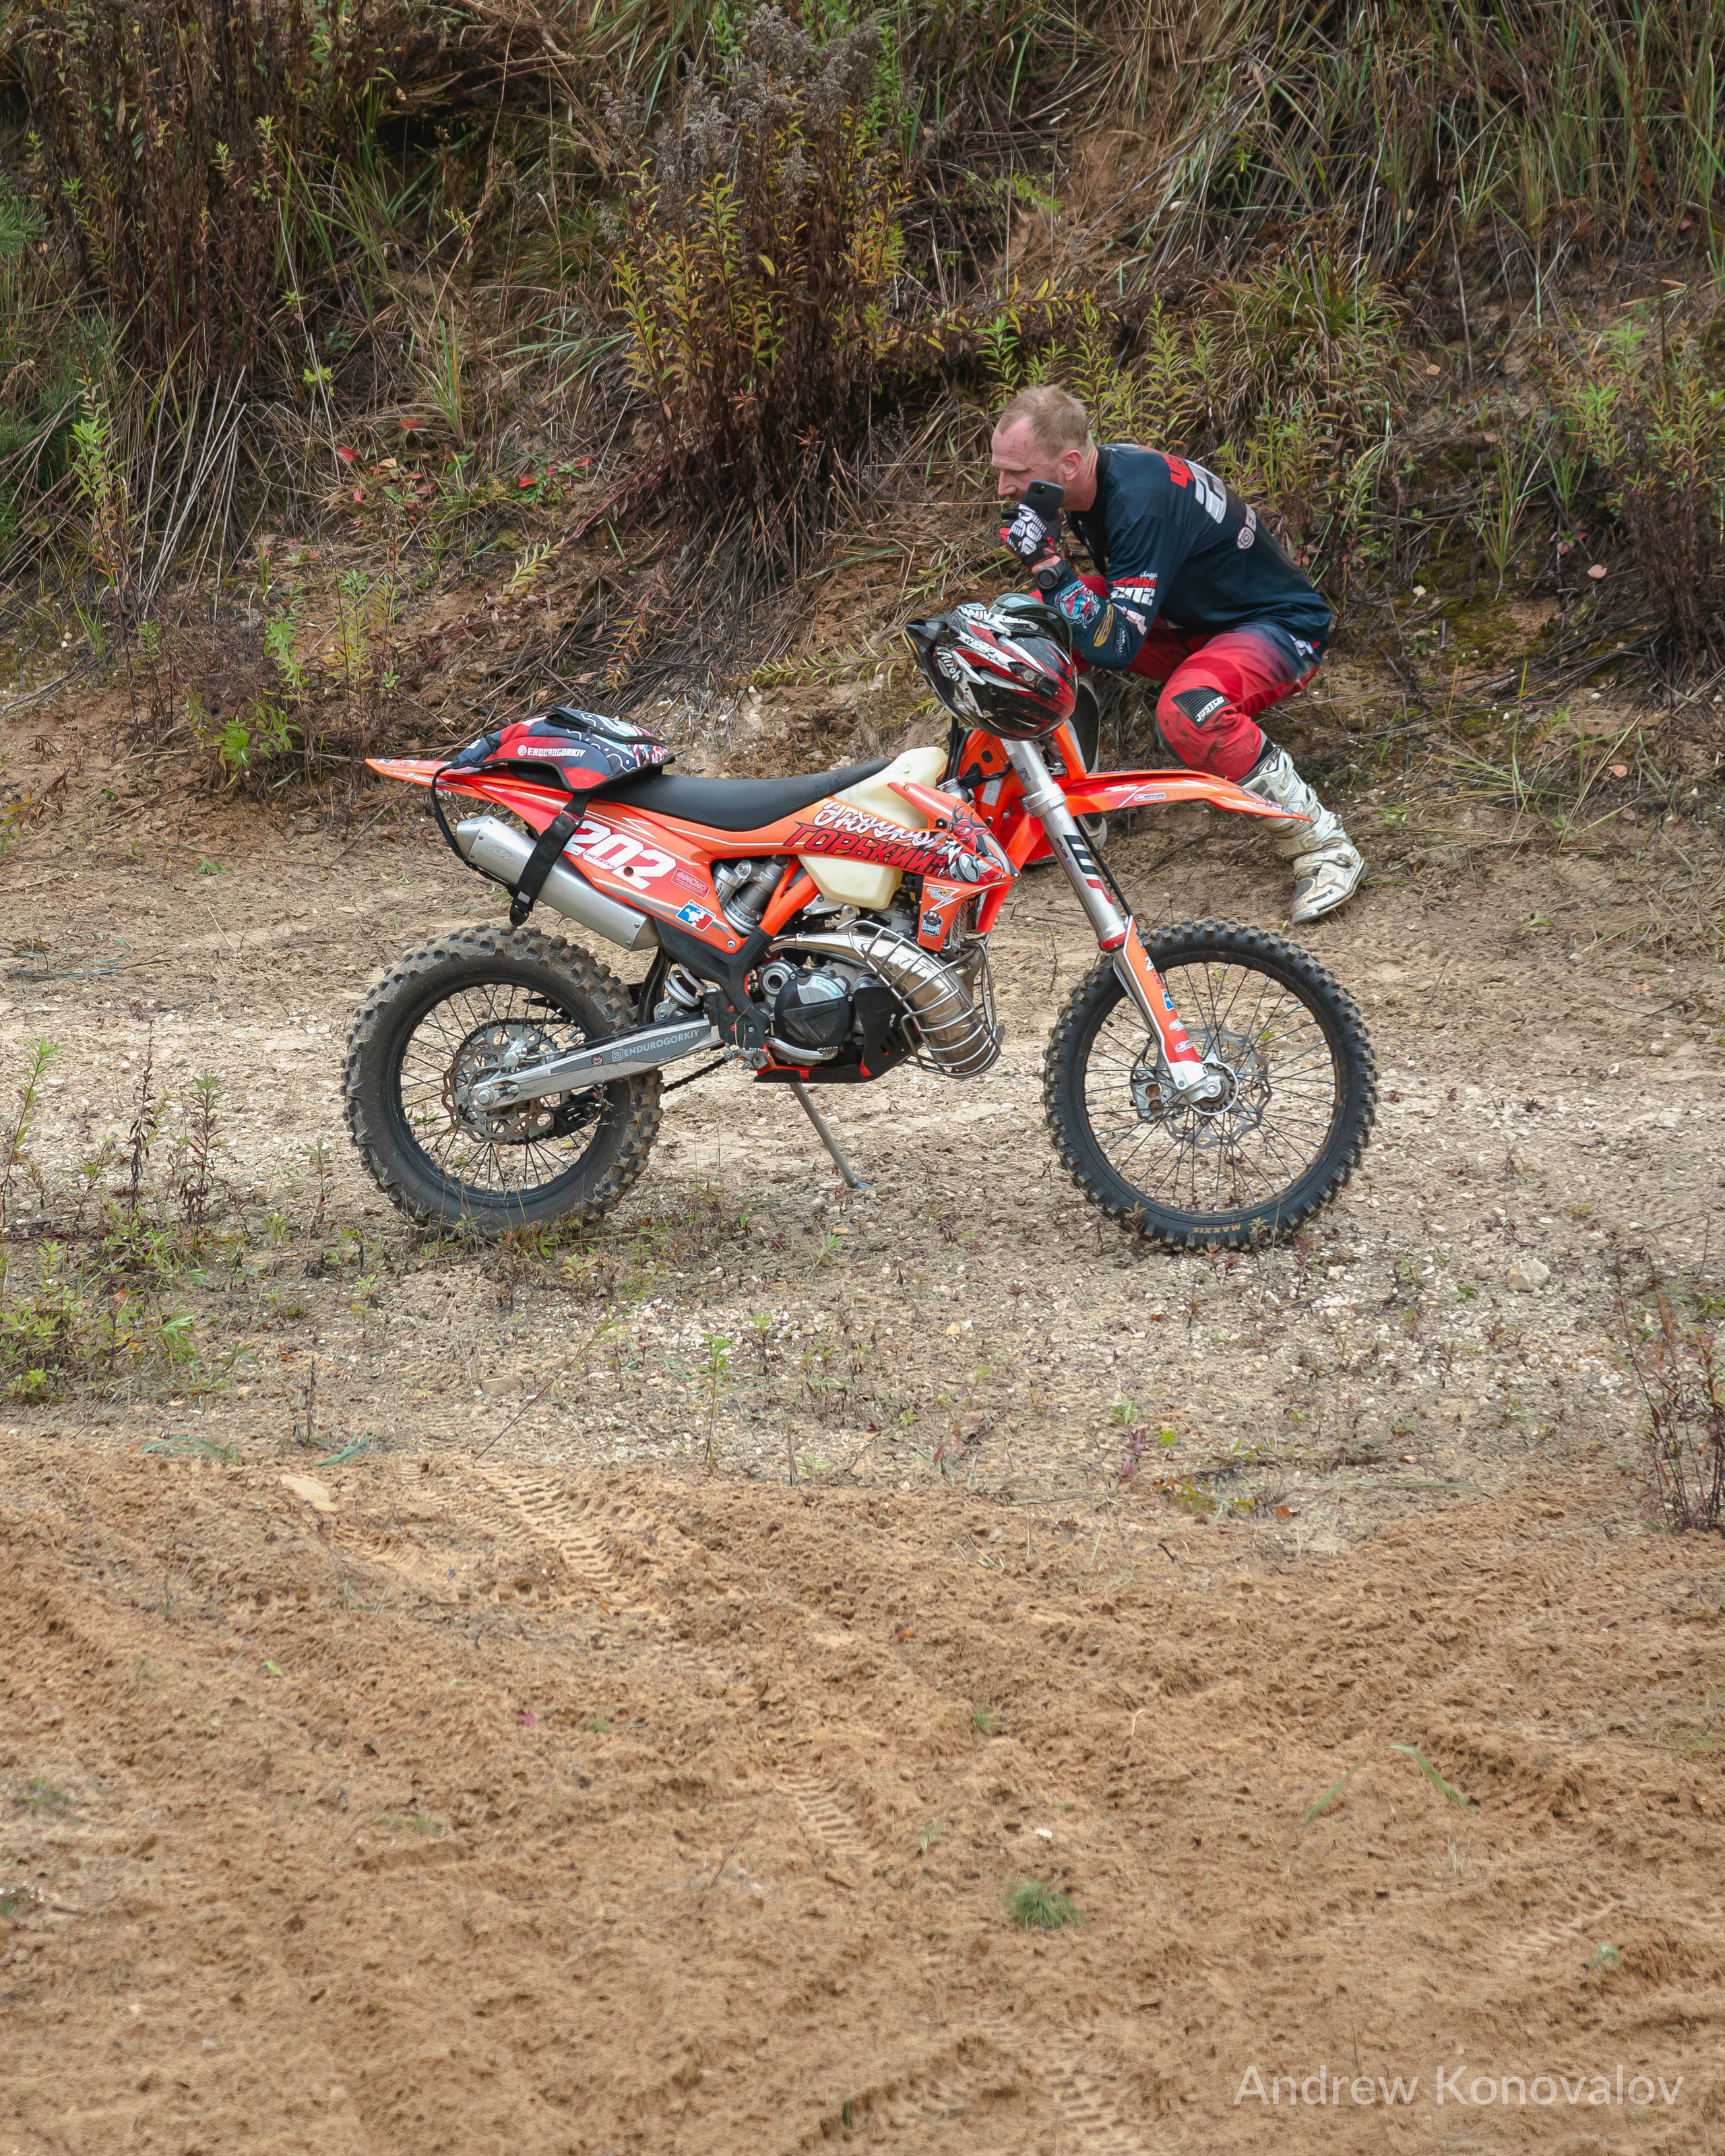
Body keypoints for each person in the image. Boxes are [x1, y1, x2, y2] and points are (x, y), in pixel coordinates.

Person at [989, 383, 1364, 925]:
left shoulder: (1140, 502)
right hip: (1196, 624)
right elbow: (1113, 621)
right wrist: (1051, 580)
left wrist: (1051, 567)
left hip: (1278, 628)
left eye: (1017, 474)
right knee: (1022, 625)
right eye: (1002, 471)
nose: (1003, 487)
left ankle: (1326, 846)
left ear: (1069, 462)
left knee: (1189, 711)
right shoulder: (1092, 485)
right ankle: (1067, 814)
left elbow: (1116, 646)